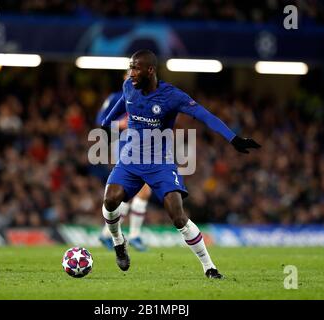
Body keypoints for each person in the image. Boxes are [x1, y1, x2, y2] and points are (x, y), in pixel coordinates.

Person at [101, 49, 260, 279]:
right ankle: (118, 242)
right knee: (109, 200)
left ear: (150, 70)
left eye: (135, 68)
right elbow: (122, 104)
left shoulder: (172, 96)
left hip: (160, 163)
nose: (131, 73)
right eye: (130, 67)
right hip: (130, 160)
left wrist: (233, 138)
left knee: (177, 216)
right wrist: (107, 124)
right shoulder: (129, 86)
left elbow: (205, 116)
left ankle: (209, 267)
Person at [96, 79, 151, 252]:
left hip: (144, 146)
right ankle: (134, 235)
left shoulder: (148, 99)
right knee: (141, 188)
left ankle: (108, 233)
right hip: (125, 143)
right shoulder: (117, 98)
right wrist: (120, 123)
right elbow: (101, 120)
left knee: (136, 190)